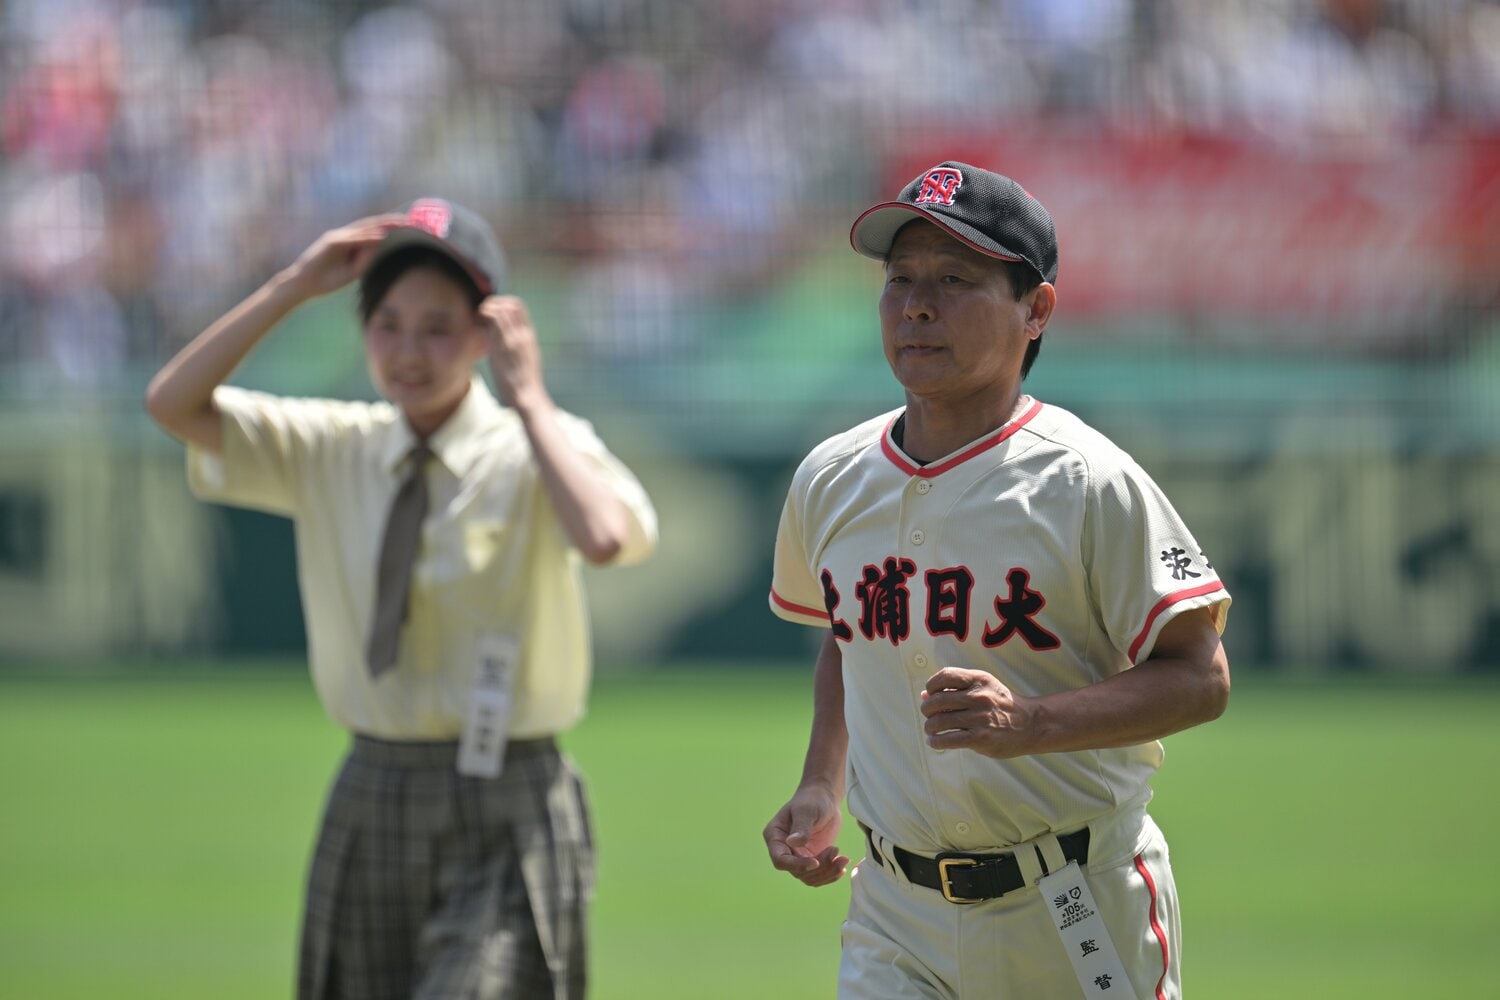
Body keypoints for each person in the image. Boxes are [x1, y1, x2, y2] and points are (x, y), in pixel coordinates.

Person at [145, 197, 658, 1000]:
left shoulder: (538, 448)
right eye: (386, 322)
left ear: (490, 332)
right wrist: (290, 286)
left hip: (510, 794)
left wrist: (530, 399)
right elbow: (171, 404)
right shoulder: (334, 446)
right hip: (374, 784)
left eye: (439, 326)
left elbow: (603, 535)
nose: (408, 351)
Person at [763, 162, 1230, 999]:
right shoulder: (830, 477)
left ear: (1036, 310)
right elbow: (851, 635)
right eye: (899, 279)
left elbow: (1200, 677)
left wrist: (1033, 722)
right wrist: (818, 782)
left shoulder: (1087, 480)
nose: (917, 305)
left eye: (955, 279)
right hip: (892, 915)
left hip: (1075, 902)